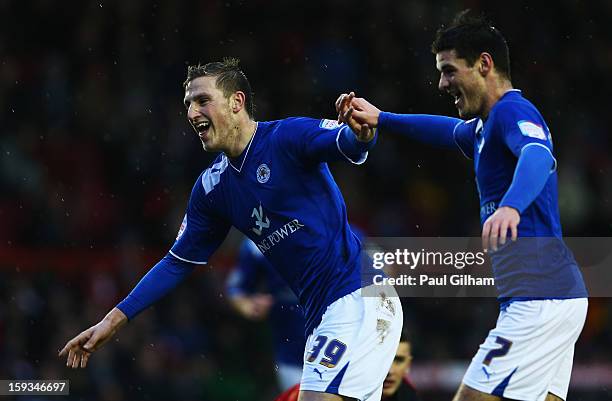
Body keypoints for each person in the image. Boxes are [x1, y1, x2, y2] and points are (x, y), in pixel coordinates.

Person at [59, 57, 403, 401]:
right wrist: (113, 320)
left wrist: (363, 134)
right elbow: (177, 262)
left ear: (236, 102)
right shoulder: (213, 189)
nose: (193, 112)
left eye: (202, 100)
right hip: (320, 313)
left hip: (359, 295)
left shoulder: (287, 137)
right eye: (188, 104)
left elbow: (350, 144)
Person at [336, 11, 587, 401]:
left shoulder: (512, 111)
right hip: (552, 296)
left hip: (541, 296)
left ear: (484, 64)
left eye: (450, 70)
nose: (442, 83)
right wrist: (382, 118)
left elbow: (538, 155)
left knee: (471, 397)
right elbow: (443, 131)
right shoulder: (486, 126)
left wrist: (512, 207)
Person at [226, 237, 306, 391]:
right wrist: (248, 306)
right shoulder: (255, 244)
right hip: (291, 352)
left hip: (344, 347)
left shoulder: (355, 236)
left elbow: (369, 288)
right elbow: (235, 290)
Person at [275, 331, 421, 401]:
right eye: (385, 360)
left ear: (408, 365)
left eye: (399, 360)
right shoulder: (328, 390)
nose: (390, 370)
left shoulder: (409, 397)